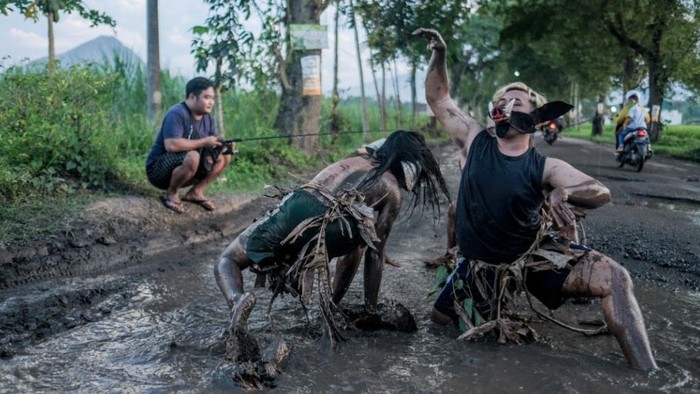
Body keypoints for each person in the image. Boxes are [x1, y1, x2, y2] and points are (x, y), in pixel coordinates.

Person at [413, 27, 657, 371]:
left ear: (536, 118)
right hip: (480, 267)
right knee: (438, 324)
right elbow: (439, 98)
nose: (505, 105)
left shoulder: (546, 165)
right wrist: (439, 54)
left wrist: (566, 192)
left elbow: (600, 191)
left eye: (516, 101)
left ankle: (648, 374)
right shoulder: (473, 138)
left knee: (615, 278)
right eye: (500, 100)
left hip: (530, 260)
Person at [214, 130, 450, 338]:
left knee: (228, 259)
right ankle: (331, 304)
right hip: (334, 227)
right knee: (361, 234)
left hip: (297, 204)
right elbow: (375, 255)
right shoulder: (391, 189)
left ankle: (237, 300)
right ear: (410, 166)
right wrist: (371, 308)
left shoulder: (352, 160)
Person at [145, 77, 232, 213]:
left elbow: (211, 141)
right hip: (158, 170)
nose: (211, 102)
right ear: (192, 97)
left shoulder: (207, 118)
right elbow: (171, 145)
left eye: (213, 98)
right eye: (207, 97)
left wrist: (223, 145)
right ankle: (172, 193)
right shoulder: (177, 113)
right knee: (193, 156)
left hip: (188, 168)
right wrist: (204, 142)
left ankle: (196, 192)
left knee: (225, 157)